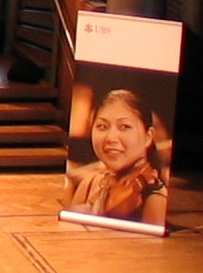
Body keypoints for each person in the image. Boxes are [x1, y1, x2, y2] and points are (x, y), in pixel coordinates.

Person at [66, 86, 167, 221]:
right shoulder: (89, 184)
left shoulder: (155, 199)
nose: (111, 138)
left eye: (124, 127)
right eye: (102, 126)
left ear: (148, 137)